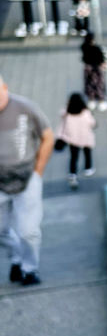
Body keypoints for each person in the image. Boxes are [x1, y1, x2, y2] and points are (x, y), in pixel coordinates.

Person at [0, 76, 53, 286]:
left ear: (5, 88)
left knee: (28, 231)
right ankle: (17, 258)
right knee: (1, 230)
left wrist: (38, 170)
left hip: (26, 179)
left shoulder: (25, 107)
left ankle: (30, 269)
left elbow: (48, 136)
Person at [57, 93, 96, 191]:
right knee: (87, 154)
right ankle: (88, 169)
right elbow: (93, 123)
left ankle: (72, 174)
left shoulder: (66, 113)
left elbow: (62, 116)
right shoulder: (86, 114)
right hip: (86, 139)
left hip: (73, 140)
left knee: (74, 157)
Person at [81, 34, 107, 111]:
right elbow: (101, 59)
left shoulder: (84, 47)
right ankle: (101, 101)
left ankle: (91, 100)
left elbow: (84, 58)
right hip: (97, 69)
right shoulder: (96, 49)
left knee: (89, 84)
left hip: (88, 68)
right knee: (99, 84)